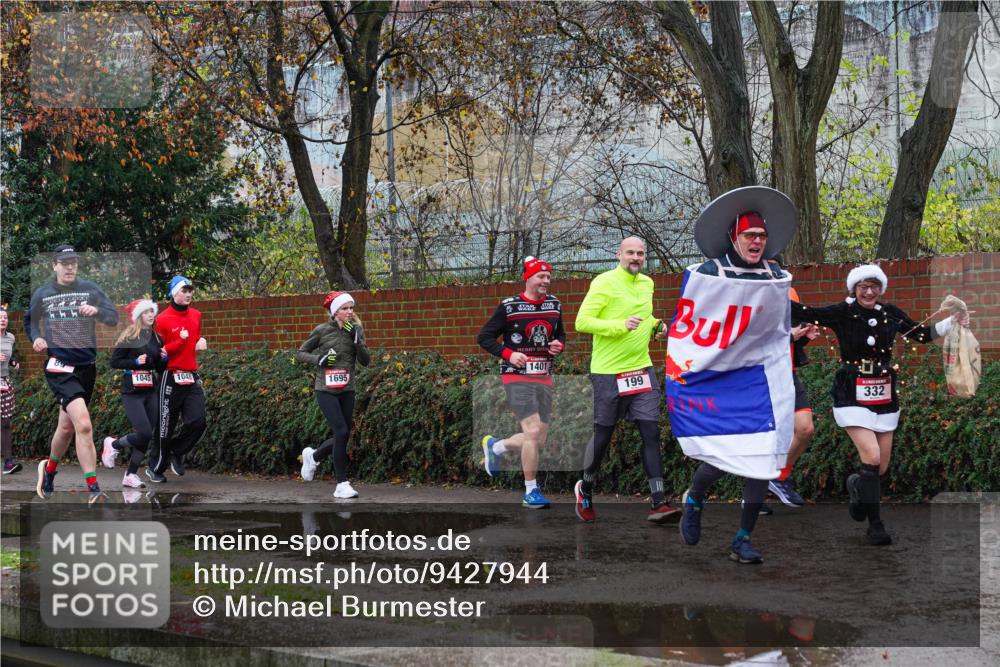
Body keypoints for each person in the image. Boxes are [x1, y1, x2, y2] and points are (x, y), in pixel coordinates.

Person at [792, 264, 970, 545]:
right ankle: (875, 525)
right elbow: (805, 313)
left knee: (880, 467)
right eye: (863, 286)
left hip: (884, 393)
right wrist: (771, 290)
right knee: (871, 457)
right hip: (851, 391)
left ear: (881, 288)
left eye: (874, 286)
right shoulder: (843, 311)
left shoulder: (891, 313)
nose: (869, 291)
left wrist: (953, 322)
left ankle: (856, 485)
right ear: (854, 289)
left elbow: (921, 335)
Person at [673, 186, 798, 564]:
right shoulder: (709, 272)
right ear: (734, 237)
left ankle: (742, 538)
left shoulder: (775, 275)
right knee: (724, 451)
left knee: (762, 455)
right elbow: (691, 319)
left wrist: (795, 332)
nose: (757, 242)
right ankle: (694, 499)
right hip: (719, 373)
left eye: (761, 236)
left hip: (758, 376)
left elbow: (778, 323)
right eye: (750, 235)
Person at [574, 236, 678, 524]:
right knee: (604, 435)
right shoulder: (604, 282)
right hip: (608, 372)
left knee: (651, 433)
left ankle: (659, 501)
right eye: (630, 252)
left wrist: (657, 325)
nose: (636, 257)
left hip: (640, 369)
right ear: (619, 254)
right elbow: (582, 322)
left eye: (641, 253)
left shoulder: (647, 284)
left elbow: (644, 317)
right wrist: (619, 326)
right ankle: (586, 487)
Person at [25, 245, 119, 501]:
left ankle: (49, 470)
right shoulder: (43, 294)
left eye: (73, 263)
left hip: (86, 366)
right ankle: (93, 488)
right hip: (59, 366)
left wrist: (97, 310)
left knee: (66, 428)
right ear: (54, 265)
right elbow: (30, 321)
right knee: (84, 425)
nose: (69, 267)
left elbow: (113, 317)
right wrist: (36, 338)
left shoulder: (90, 289)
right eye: (64, 263)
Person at [477, 256, 566, 509]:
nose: (546, 281)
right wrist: (509, 353)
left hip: (544, 377)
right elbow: (484, 337)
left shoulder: (554, 305)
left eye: (549, 277)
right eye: (541, 276)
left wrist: (559, 345)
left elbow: (560, 334)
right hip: (516, 377)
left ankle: (497, 446)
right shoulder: (509, 306)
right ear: (528, 278)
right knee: (533, 431)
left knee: (538, 440)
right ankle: (530, 491)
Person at [298, 291, 370, 499]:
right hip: (325, 390)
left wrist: (357, 340)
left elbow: (365, 361)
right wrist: (319, 360)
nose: (349, 312)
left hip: (347, 389)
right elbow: (301, 353)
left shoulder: (356, 330)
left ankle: (313, 456)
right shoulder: (321, 330)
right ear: (334, 311)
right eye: (344, 308)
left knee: (344, 434)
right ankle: (342, 484)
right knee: (340, 431)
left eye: (351, 308)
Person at [147, 276, 208, 483]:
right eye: (184, 290)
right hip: (169, 376)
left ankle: (177, 451)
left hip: (190, 375)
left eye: (190, 290)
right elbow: (157, 352)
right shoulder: (162, 320)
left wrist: (200, 340)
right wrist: (175, 345)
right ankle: (155, 467)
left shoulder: (197, 315)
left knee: (198, 421)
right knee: (166, 426)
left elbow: (195, 336)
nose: (189, 294)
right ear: (174, 293)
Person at [102, 298, 167, 489]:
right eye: (147, 312)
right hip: (132, 391)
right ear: (139, 315)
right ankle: (113, 445)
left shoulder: (156, 338)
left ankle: (130, 475)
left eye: (152, 312)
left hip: (150, 389)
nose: (151, 315)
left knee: (147, 435)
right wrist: (135, 362)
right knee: (144, 432)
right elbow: (115, 362)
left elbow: (159, 367)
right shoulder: (129, 337)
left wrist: (164, 359)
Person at [765, 286, 820, 509]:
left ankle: (779, 477)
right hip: (762, 377)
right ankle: (751, 497)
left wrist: (804, 336)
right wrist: (789, 336)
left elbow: (788, 341)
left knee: (805, 428)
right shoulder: (751, 291)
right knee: (765, 438)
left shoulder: (791, 292)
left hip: (788, 374)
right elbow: (751, 340)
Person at [1, 306, 22, 475]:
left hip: (4, 381)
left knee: (6, 422)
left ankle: (8, 462)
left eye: (5, 318)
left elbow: (7, 357)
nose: (3, 320)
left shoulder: (10, 338)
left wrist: (13, 362)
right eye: (0, 317)